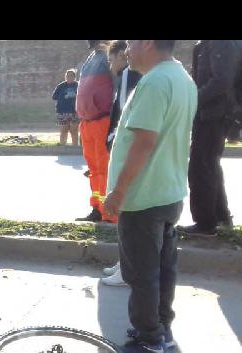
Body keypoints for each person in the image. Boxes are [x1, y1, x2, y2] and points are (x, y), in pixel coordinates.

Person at [102, 40, 197, 353]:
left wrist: (117, 193)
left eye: (130, 42)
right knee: (162, 268)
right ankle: (160, 328)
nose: (126, 49)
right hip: (168, 192)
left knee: (140, 272)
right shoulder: (182, 78)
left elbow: (144, 142)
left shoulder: (155, 81)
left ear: (148, 42)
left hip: (144, 197)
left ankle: (149, 339)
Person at [180, 40, 242, 237]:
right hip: (207, 114)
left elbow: (222, 81)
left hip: (215, 115)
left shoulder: (221, 44)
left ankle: (205, 224)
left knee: (201, 168)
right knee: (209, 165)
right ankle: (220, 218)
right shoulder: (204, 45)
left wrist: (194, 99)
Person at [102, 40, 143, 288]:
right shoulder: (130, 75)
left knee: (128, 213)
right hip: (124, 148)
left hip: (127, 150)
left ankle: (128, 268)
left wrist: (113, 138)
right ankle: (125, 262)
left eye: (112, 58)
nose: (111, 63)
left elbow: (125, 114)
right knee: (127, 215)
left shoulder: (134, 75)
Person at [76, 40, 116, 224]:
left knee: (104, 170)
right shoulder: (92, 58)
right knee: (94, 171)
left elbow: (118, 89)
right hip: (88, 123)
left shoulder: (111, 56)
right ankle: (97, 209)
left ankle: (109, 213)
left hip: (102, 121)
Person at [52, 69, 80, 146]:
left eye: (71, 76)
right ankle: (63, 147)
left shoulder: (78, 85)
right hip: (62, 111)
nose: (69, 77)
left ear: (74, 77)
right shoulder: (61, 86)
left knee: (74, 130)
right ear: (65, 77)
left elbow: (83, 97)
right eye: (67, 76)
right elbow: (54, 97)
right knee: (64, 130)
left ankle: (75, 147)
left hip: (75, 111)